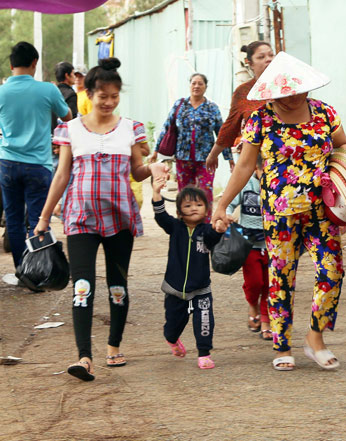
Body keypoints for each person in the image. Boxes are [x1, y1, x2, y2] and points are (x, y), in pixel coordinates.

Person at [211, 51, 346, 371]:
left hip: (321, 211)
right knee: (282, 276)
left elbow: (344, 145)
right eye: (284, 91)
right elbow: (245, 165)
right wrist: (221, 204)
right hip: (279, 213)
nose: (292, 96)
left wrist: (340, 180)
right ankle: (282, 343)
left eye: (297, 89)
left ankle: (315, 337)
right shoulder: (262, 118)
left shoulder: (325, 113)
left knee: (332, 271)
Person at [35, 57, 169, 382]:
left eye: (114, 96)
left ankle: (114, 344)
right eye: (102, 96)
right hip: (80, 219)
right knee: (82, 286)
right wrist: (42, 219)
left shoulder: (130, 128)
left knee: (117, 286)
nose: (108, 102)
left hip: (120, 219)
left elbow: (137, 171)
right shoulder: (71, 129)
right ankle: (84, 357)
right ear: (89, 93)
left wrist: (151, 169)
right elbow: (62, 174)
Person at [0, 42, 72, 275]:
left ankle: (21, 270)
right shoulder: (48, 90)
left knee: (13, 218)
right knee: (38, 218)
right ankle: (37, 271)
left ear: (11, 65)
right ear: (34, 63)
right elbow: (68, 116)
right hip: (38, 165)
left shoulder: (1, 91)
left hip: (7, 163)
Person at [152, 183, 223, 369]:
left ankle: (204, 353)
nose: (193, 209)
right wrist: (156, 192)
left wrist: (220, 229)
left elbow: (214, 238)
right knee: (173, 323)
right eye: (188, 206)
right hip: (175, 288)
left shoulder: (206, 230)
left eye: (199, 205)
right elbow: (161, 217)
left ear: (207, 209)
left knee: (205, 320)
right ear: (179, 212)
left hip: (201, 287)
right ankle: (172, 340)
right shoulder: (175, 227)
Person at [152, 73, 223, 219]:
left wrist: (229, 158)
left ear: (205, 87)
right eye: (193, 83)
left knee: (205, 191)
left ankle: (204, 224)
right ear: (189, 85)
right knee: (184, 191)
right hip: (183, 158)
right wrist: (155, 150)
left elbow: (222, 134)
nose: (196, 86)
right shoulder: (180, 105)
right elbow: (167, 127)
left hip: (206, 159)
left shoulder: (212, 108)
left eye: (200, 83)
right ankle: (183, 223)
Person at [207, 41, 273, 173]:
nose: (269, 60)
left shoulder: (287, 86)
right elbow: (230, 128)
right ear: (249, 62)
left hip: (288, 156)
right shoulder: (243, 92)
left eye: (271, 55)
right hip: (256, 163)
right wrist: (212, 155)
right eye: (261, 57)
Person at [226, 156, 270, 339]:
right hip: (250, 245)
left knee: (269, 285)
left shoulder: (277, 186)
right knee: (255, 283)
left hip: (271, 245)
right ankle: (252, 304)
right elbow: (229, 203)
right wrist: (227, 215)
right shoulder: (246, 185)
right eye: (263, 172)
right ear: (255, 169)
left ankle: (266, 321)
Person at [53, 61, 78, 125]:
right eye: (73, 73)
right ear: (67, 75)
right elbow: (72, 120)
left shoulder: (53, 92)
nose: (75, 77)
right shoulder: (71, 95)